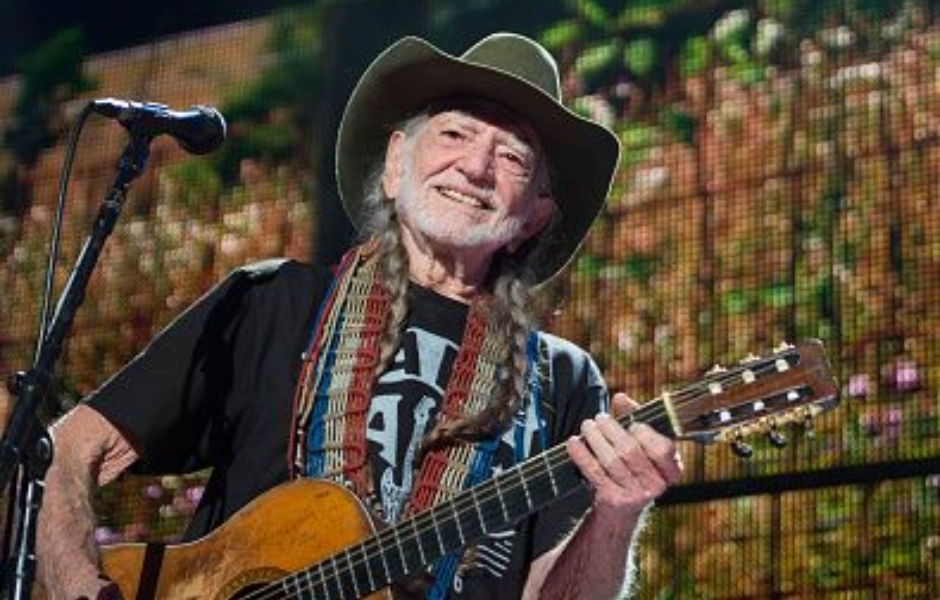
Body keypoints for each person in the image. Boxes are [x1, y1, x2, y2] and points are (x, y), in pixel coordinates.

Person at [35, 32, 682, 600]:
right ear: (396, 165)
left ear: (534, 216)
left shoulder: (563, 380)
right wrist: (76, 585)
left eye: (512, 157)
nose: (477, 167)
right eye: (455, 134)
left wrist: (617, 514)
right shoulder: (271, 301)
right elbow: (67, 448)